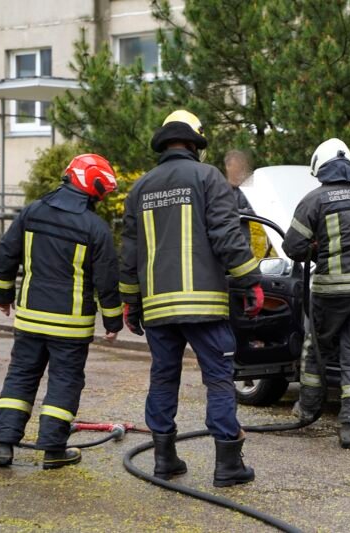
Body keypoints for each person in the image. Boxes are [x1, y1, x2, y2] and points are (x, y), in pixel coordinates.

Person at [120, 110, 264, 487]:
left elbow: (130, 252)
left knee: (163, 378)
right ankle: (228, 466)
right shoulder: (207, 177)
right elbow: (226, 235)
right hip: (204, 307)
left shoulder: (141, 187)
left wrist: (131, 302)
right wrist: (251, 279)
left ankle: (164, 460)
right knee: (218, 380)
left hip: (157, 308)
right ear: (196, 144)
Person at [0, 154, 123, 470]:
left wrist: (2, 295)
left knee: (20, 377)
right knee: (64, 382)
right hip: (71, 326)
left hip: (31, 317)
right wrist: (113, 320)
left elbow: (6, 254)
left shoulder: (32, 212)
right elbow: (107, 280)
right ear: (93, 187)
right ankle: (52, 450)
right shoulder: (95, 227)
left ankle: (3, 444)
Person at [282, 138, 350, 449]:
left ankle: (307, 409)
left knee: (316, 349)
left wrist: (317, 249)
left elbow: (292, 247)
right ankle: (349, 425)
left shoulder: (314, 200)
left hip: (332, 291)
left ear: (321, 169)